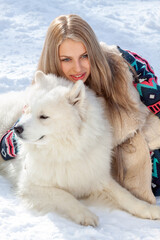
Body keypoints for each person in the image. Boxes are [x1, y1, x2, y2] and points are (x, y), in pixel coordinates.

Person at [1, 14, 160, 195]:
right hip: (113, 174)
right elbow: (8, 146)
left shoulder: (126, 66)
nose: (78, 68)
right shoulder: (47, 90)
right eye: (66, 59)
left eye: (84, 56)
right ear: (54, 59)